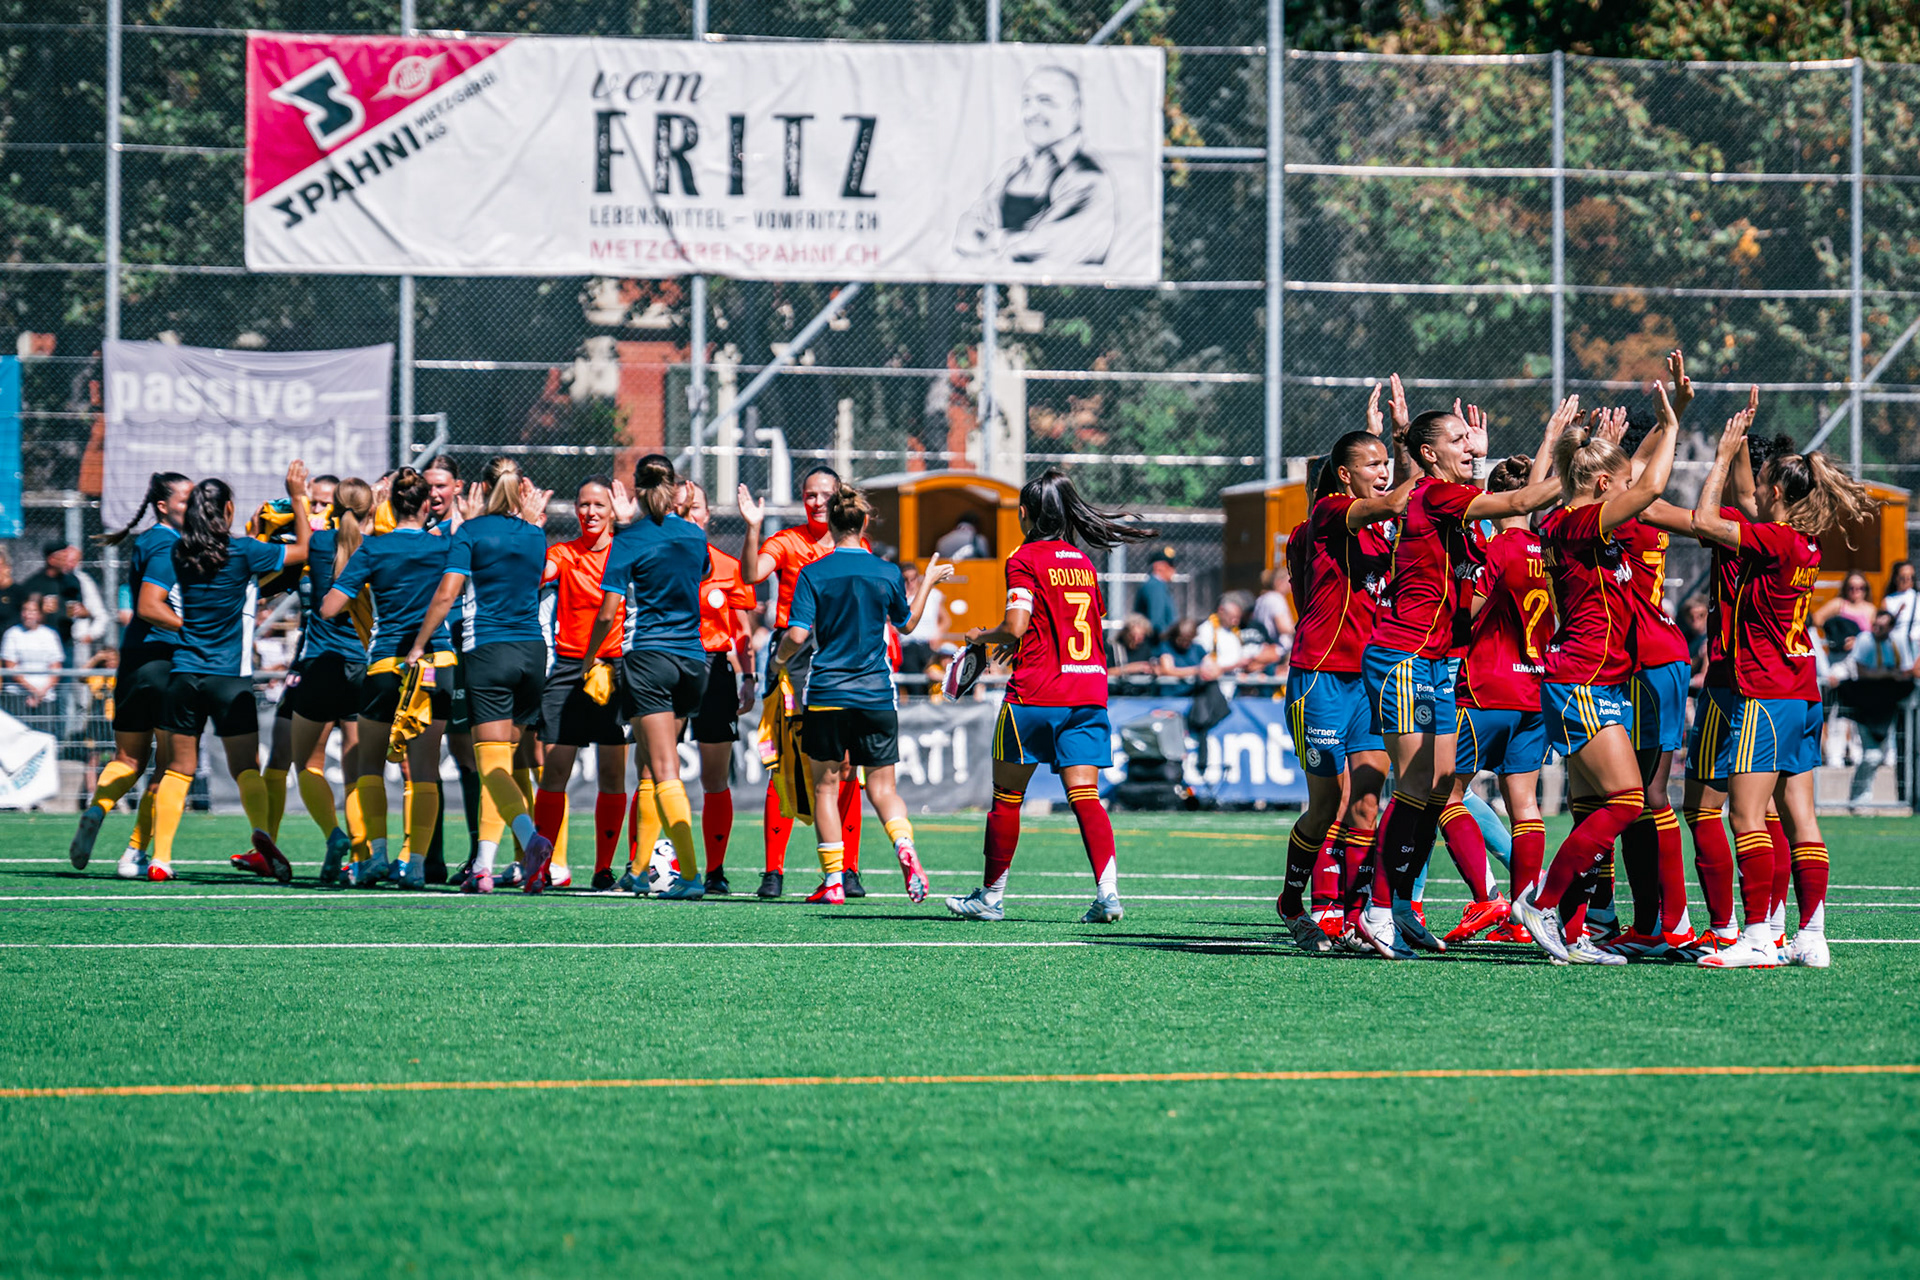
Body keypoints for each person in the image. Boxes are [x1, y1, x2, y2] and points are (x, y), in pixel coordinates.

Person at [1357, 399, 1566, 960]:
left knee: (1438, 786)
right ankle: (1377, 910)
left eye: (1472, 442)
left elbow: (1513, 508)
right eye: (1458, 440)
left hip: (1437, 662)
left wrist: (1506, 444)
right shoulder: (1436, 494)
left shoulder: (1462, 512)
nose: (1471, 448)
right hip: (1404, 656)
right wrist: (1570, 454)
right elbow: (1522, 499)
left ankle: (1399, 907)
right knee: (1414, 787)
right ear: (1430, 455)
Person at [1686, 406, 1878, 969]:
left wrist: (1720, 457)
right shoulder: (1803, 539)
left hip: (1764, 693)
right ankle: (1811, 934)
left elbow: (1703, 519)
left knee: (1745, 816)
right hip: (1802, 692)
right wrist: (1742, 443)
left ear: (1776, 491)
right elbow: (1747, 503)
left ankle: (1757, 938)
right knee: (1800, 818)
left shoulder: (1772, 541)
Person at [1509, 384, 1681, 964]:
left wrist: (1611, 444)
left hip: (1586, 677)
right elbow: (1651, 484)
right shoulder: (1583, 525)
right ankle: (1543, 904)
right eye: (1620, 483)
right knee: (1630, 799)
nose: (1633, 489)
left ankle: (1574, 931)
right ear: (1604, 487)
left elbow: (1624, 476)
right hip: (1582, 676)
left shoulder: (1566, 520)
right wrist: (1671, 424)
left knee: (1593, 809)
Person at [944, 469, 1154, 922]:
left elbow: (1018, 625)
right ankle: (1108, 894)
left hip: (1035, 694)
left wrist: (983, 636)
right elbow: (1075, 626)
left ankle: (991, 897)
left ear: (1025, 513)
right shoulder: (1084, 563)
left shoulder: (1023, 557)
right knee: (1085, 797)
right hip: (1088, 691)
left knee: (1007, 798)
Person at [769, 483, 952, 905]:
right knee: (883, 790)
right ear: (864, 522)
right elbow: (906, 627)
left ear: (831, 524)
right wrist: (927, 584)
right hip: (876, 695)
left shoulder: (814, 572)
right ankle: (904, 846)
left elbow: (796, 635)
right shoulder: (887, 571)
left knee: (826, 790)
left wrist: (779, 661)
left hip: (828, 693)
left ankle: (833, 881)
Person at [140, 465, 312, 885]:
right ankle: (264, 838)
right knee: (245, 769)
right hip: (229, 679)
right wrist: (296, 495)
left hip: (184, 673)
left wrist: (186, 629)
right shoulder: (246, 551)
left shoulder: (177, 552)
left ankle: (160, 858)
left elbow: (151, 605)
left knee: (178, 769)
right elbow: (305, 550)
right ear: (228, 510)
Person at [1277, 414, 1410, 953]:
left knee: (1367, 800)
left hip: (1369, 680)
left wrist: (1398, 440)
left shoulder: (1381, 524)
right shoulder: (1329, 513)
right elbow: (1394, 501)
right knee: (1327, 803)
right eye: (1372, 465)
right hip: (1320, 678)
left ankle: (1353, 917)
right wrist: (1413, 446)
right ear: (1343, 476)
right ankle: (1291, 901)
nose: (1383, 473)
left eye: (1386, 464)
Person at [407, 458, 555, 894]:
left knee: (490, 766)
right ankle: (484, 866)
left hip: (489, 653)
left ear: (481, 489)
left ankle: (531, 840)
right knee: (505, 765)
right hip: (533, 655)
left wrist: (420, 643)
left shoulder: (469, 533)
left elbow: (447, 592)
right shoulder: (535, 534)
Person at [1430, 454, 1552, 946]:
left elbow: (1469, 609)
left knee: (1443, 794)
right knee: (1526, 806)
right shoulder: (1550, 549)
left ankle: (1488, 898)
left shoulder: (1497, 550)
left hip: (1485, 688)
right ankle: (1529, 914)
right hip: (1536, 688)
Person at [319, 467, 453, 889]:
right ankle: (414, 865)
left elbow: (329, 607)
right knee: (424, 771)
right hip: (437, 662)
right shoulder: (447, 546)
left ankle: (375, 854)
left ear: (391, 504)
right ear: (428, 504)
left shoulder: (373, 549)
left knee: (369, 766)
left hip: (384, 665)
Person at [738, 466, 868, 899]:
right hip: (791, 655)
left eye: (824, 494)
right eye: (809, 494)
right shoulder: (788, 541)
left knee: (846, 763)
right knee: (785, 761)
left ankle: (847, 869)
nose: (816, 502)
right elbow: (753, 573)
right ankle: (773, 871)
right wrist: (753, 529)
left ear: (838, 499)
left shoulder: (855, 544)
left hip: (839, 654)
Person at [585, 456, 711, 901]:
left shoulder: (629, 538)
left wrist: (587, 658)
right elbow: (702, 571)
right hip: (694, 662)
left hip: (650, 659)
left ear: (635, 490)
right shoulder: (695, 533)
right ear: (677, 489)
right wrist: (682, 516)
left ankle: (693, 876)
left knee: (662, 770)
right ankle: (639, 871)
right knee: (651, 767)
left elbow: (607, 612)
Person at [67, 471, 190, 876]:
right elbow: (150, 606)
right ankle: (135, 851)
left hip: (135, 660)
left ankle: (99, 807)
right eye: (185, 500)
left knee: (127, 758)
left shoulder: (151, 540)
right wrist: (194, 629)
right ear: (162, 505)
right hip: (166, 661)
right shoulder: (165, 544)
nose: (192, 508)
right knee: (168, 766)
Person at [533, 476, 633, 893]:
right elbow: (535, 575)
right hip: (570, 669)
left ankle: (604, 868)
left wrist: (630, 529)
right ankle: (542, 865)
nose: (590, 512)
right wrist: (529, 528)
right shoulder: (563, 553)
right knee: (554, 770)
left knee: (613, 775)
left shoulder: (626, 552)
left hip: (614, 668)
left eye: (599, 505)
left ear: (613, 511)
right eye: (583, 504)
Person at [280, 477, 372, 885]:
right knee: (358, 772)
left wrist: (299, 497)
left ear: (332, 507)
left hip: (319, 666)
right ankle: (360, 852)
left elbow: (304, 538)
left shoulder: (319, 545)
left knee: (307, 766)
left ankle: (334, 835)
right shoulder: (377, 547)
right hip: (363, 669)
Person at [952, 65, 1115, 268]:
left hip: (1062, 295)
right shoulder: (1012, 170)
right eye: (1026, 101)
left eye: (1046, 101)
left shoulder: (1089, 178)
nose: (1031, 113)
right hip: (1003, 291)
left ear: (1075, 109)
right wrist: (1014, 242)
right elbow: (964, 235)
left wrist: (991, 241)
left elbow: (1050, 250)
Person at [681, 480, 757, 895]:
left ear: (707, 515)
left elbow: (744, 628)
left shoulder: (729, 567)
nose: (691, 515)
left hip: (715, 670)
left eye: (696, 509)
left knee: (714, 778)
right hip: (667, 666)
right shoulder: (659, 562)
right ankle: (646, 863)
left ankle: (715, 871)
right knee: (653, 773)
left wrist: (748, 676)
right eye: (681, 508)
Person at [1836, 610, 1914, 809]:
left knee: (1882, 755)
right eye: (1875, 625)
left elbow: (1906, 671)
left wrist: (1884, 674)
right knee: (1872, 755)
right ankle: (1859, 798)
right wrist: (1887, 674)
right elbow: (1862, 671)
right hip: (1866, 704)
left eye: (1882, 626)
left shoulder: (1897, 642)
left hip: (1889, 706)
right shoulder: (1865, 640)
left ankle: (1862, 797)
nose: (1877, 630)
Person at [1, 597, 64, 728]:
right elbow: (11, 667)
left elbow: (56, 668)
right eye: (25, 610)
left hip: (46, 696)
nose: (28, 614)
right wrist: (32, 690)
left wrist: (41, 693)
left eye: (33, 610)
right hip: (18, 695)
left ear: (40, 614)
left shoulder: (50, 635)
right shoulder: (12, 634)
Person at [898, 561, 949, 675]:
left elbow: (945, 620)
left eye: (913, 578)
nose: (910, 583)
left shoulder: (933, 595)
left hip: (927, 644)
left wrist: (937, 634)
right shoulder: (898, 598)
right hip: (907, 646)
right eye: (906, 579)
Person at [1814, 572, 1876, 656]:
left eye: (1860, 588)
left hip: (1862, 655)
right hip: (1841, 656)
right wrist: (1834, 632)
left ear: (1866, 589)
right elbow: (1817, 617)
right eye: (1851, 588)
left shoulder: (1871, 609)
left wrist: (1858, 641)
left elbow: (1874, 634)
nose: (1855, 591)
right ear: (1845, 588)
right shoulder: (1838, 604)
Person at [1131, 547, 1178, 639]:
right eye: (1170, 565)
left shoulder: (1159, 585)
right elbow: (1156, 623)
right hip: (1156, 645)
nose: (1174, 570)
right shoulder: (1155, 586)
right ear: (1158, 566)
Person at [1105, 613, 1158, 694]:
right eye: (1132, 636)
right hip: (1118, 694)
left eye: (1140, 637)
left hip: (1142, 695)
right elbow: (1104, 672)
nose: (1136, 639)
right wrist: (1129, 669)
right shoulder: (1113, 648)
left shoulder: (1146, 649)